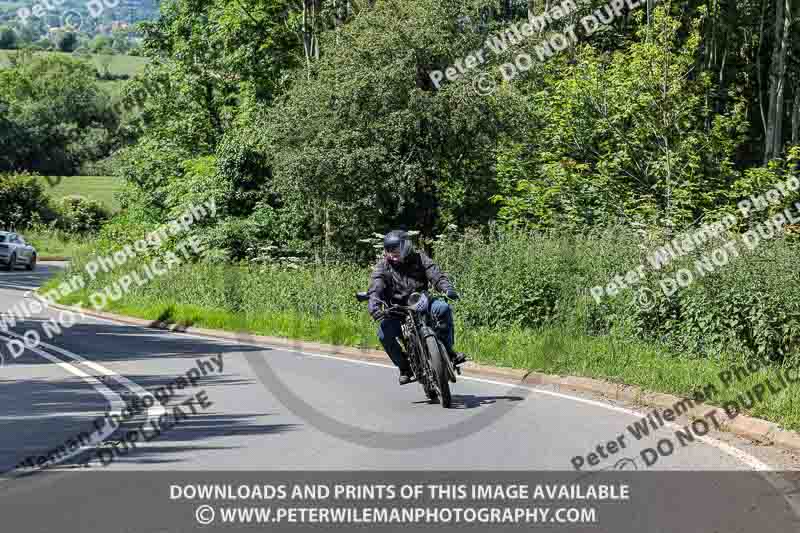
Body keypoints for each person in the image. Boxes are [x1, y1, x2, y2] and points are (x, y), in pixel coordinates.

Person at [367, 230, 467, 385]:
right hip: (397, 310)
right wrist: (375, 306)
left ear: (406, 246)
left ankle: (448, 351)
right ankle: (404, 367)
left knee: (443, 308)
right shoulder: (383, 267)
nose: (392, 253)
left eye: (396, 248)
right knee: (383, 333)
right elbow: (376, 287)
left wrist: (446, 288)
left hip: (422, 302)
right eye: (389, 249)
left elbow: (435, 274)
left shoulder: (420, 258)